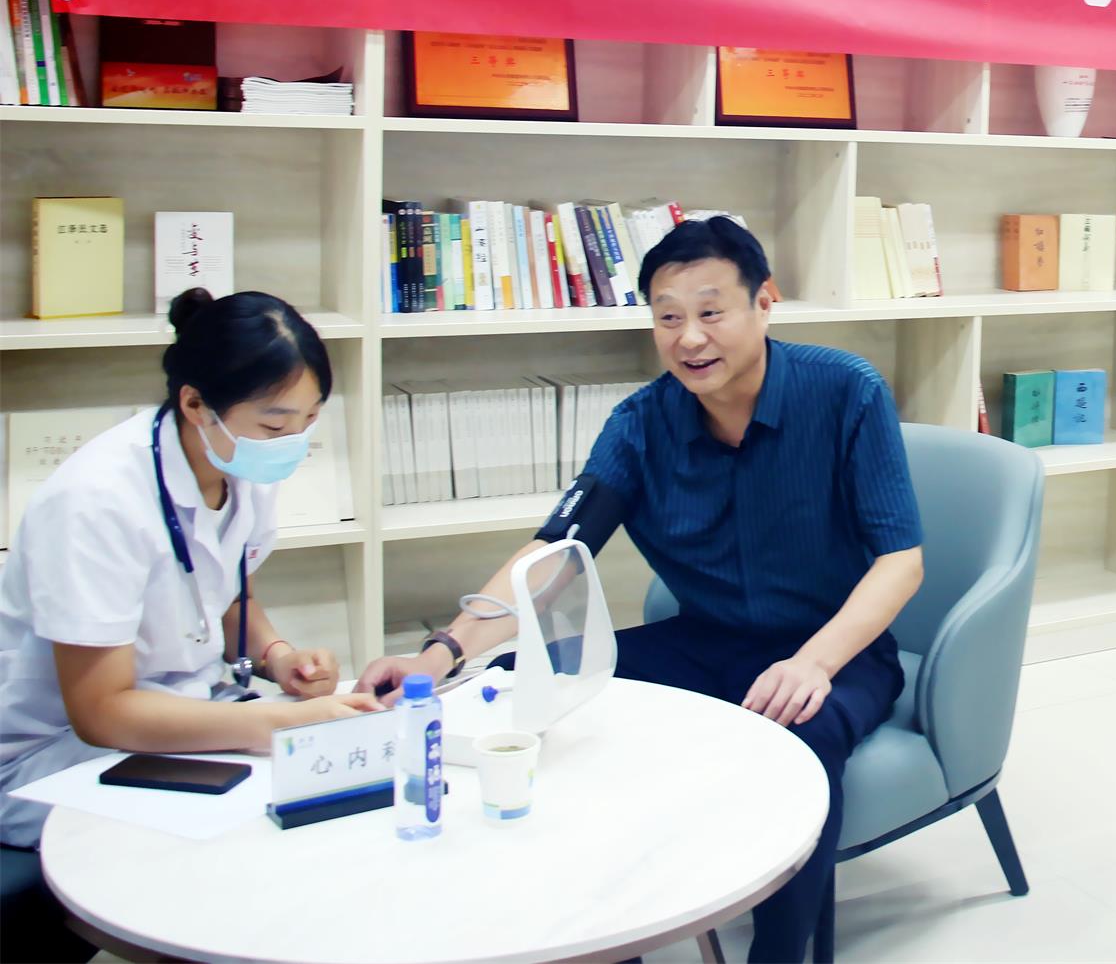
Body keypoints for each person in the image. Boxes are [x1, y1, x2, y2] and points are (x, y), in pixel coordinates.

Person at [356, 217, 923, 964]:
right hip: (705, 640)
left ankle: (779, 954)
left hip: (833, 648)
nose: (691, 338)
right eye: (668, 318)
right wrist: (440, 655)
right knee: (520, 684)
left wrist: (813, 663)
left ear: (765, 302)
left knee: (805, 733)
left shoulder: (845, 391)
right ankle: (598, 932)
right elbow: (551, 556)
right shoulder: (639, 424)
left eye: (711, 312)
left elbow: (901, 562)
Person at [0, 290, 381, 850]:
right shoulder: (95, 502)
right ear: (196, 404)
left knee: (340, 793)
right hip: (64, 754)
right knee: (252, 833)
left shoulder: (238, 463)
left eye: (310, 420)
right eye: (275, 427)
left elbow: (227, 596)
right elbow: (101, 713)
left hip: (194, 715)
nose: (294, 444)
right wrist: (279, 726)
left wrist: (279, 657)